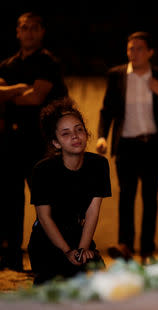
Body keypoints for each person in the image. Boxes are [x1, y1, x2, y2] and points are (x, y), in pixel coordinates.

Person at [96, 31, 158, 264]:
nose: (134, 53)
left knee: (150, 199)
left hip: (152, 145)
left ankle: (146, 250)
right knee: (126, 197)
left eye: (139, 48)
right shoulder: (116, 76)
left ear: (150, 52)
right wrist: (102, 136)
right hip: (125, 145)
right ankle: (125, 246)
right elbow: (107, 110)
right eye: (130, 49)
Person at [0, 12, 68, 271]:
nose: (29, 32)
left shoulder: (49, 62)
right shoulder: (8, 64)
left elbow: (35, 98)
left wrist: (10, 92)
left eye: (34, 28)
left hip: (42, 142)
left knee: (46, 201)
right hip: (11, 141)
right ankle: (12, 257)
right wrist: (21, 88)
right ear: (18, 32)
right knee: (10, 199)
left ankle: (52, 256)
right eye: (24, 28)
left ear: (42, 32)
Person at [27, 97, 111, 285]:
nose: (75, 136)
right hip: (47, 239)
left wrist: (82, 249)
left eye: (79, 129)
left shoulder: (99, 165)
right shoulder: (42, 170)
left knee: (100, 281)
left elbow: (92, 212)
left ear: (86, 134)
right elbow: (44, 217)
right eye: (65, 134)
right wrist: (67, 251)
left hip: (78, 235)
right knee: (56, 287)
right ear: (56, 143)